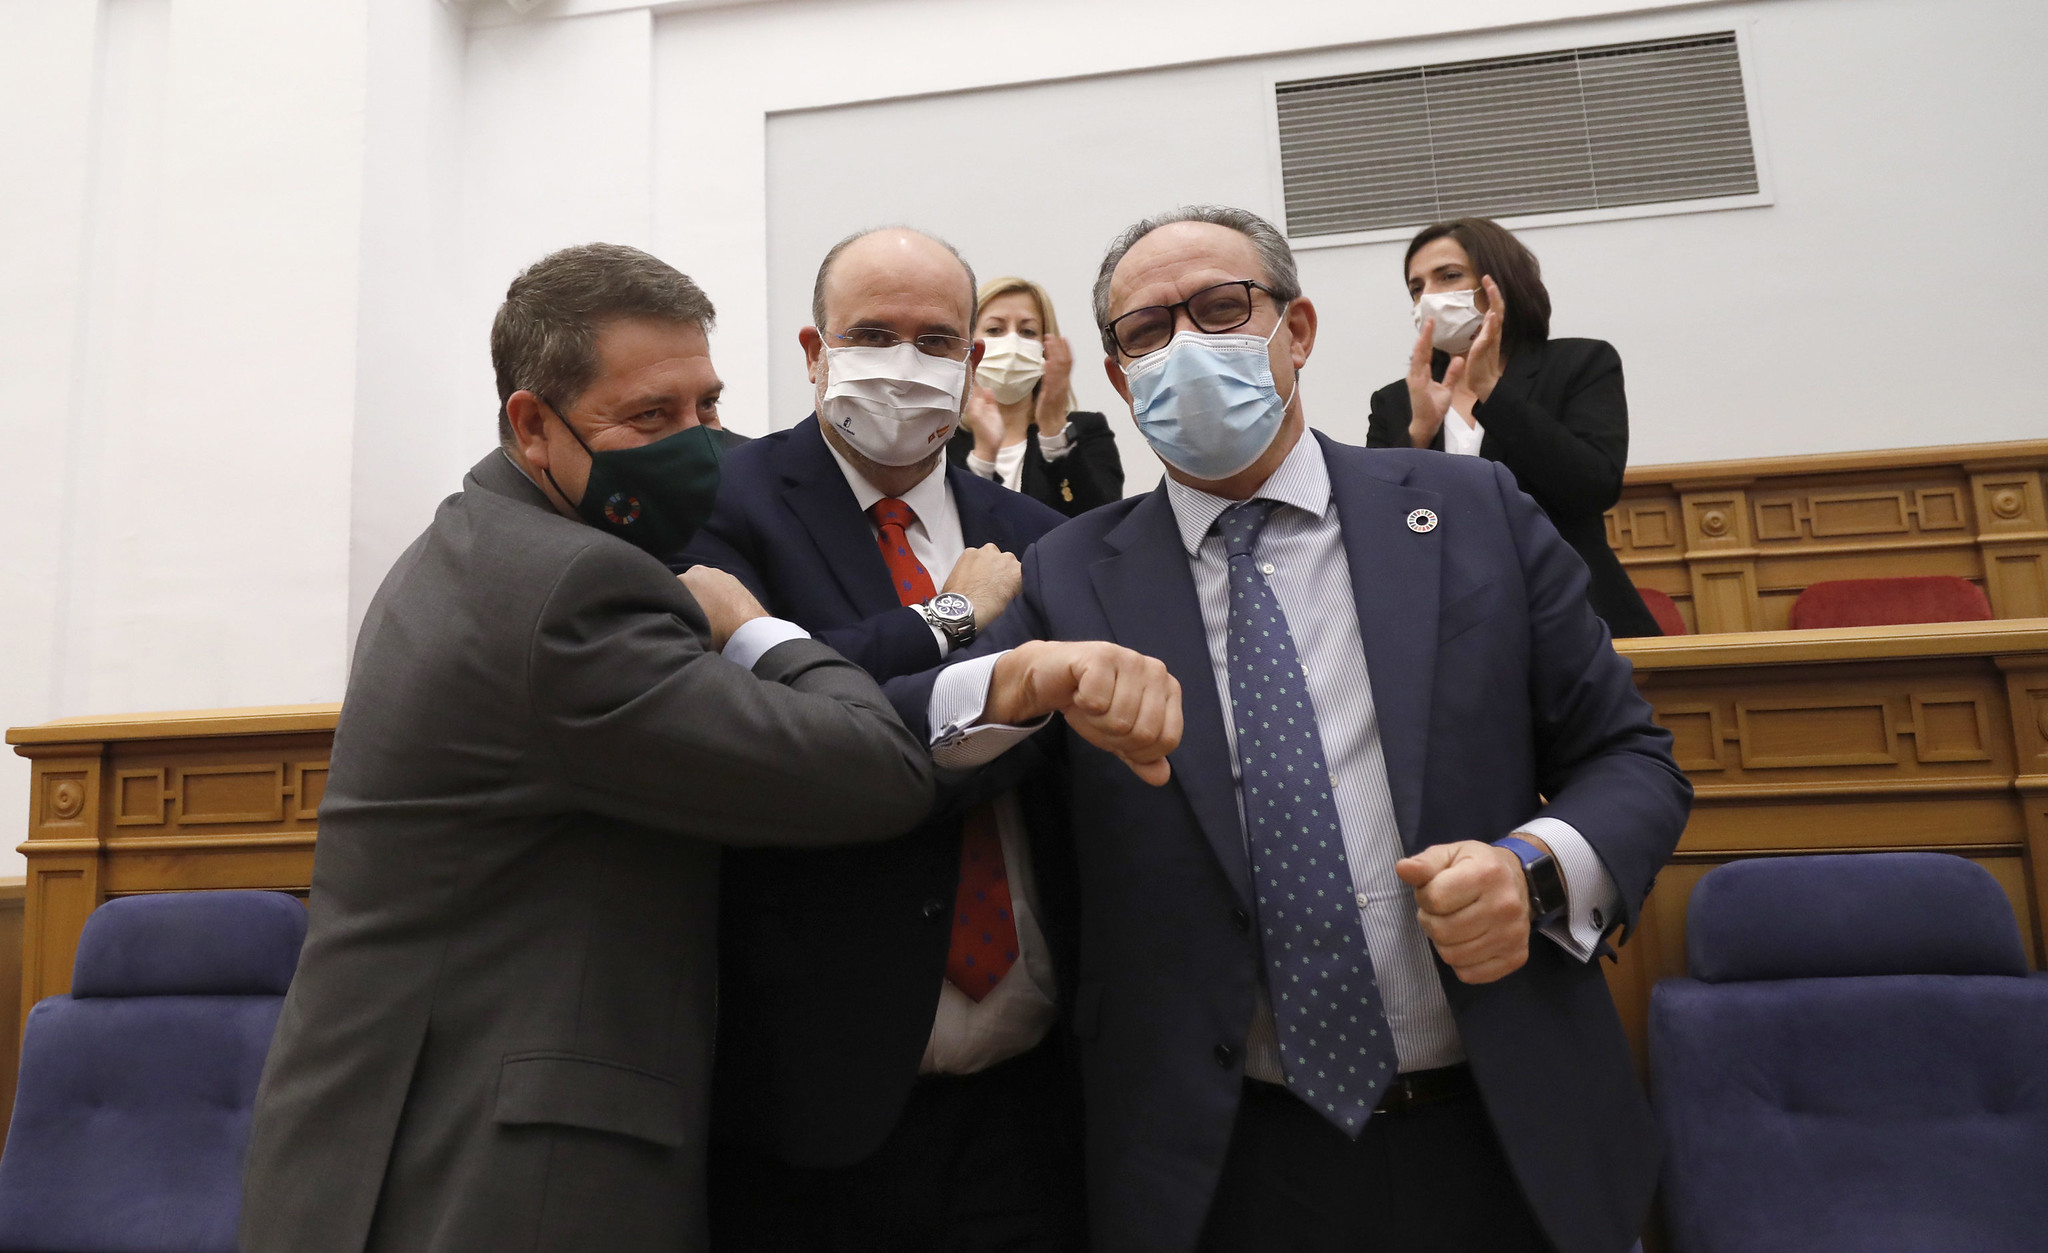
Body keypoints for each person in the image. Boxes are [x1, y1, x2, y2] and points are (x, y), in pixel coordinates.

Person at [885, 206, 1692, 1253]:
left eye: (1221, 308)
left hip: (1500, 1128)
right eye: (1144, 331)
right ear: (1121, 379)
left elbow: (1631, 757)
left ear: (1296, 329)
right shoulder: (1071, 568)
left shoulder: (1473, 506)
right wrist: (1016, 674)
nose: (1184, 345)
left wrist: (1535, 868)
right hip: (1221, 1158)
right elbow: (917, 737)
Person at [238, 244, 936, 1253]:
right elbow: (874, 770)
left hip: (391, 1146)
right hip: (498, 1178)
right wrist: (750, 625)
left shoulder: (477, 540)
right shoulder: (569, 593)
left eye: (708, 406)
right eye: (651, 417)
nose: (701, 444)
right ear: (533, 424)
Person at [679, 228, 1157, 1252]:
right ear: (814, 351)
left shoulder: (1036, 532)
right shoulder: (724, 505)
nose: (902, 363)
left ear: (972, 362)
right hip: (813, 1102)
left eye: (935, 338)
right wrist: (953, 619)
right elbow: (768, 738)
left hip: (1033, 1095)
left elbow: (1039, 736)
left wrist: (810, 654)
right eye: (870, 333)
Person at [1365, 218, 1661, 639]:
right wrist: (1418, 434)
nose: (1429, 296)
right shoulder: (1397, 400)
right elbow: (1377, 525)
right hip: (1452, 628)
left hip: (1571, 620)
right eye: (1416, 287)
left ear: (1497, 283)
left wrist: (1492, 391)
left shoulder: (1581, 364)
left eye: (1448, 276)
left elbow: (1592, 487)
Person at [949, 276, 1123, 516]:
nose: (1012, 342)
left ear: (1046, 346)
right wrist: (984, 458)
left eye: (1027, 331)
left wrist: (1053, 432)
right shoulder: (944, 438)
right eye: (995, 329)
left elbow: (1103, 522)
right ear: (971, 345)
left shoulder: (1087, 430)